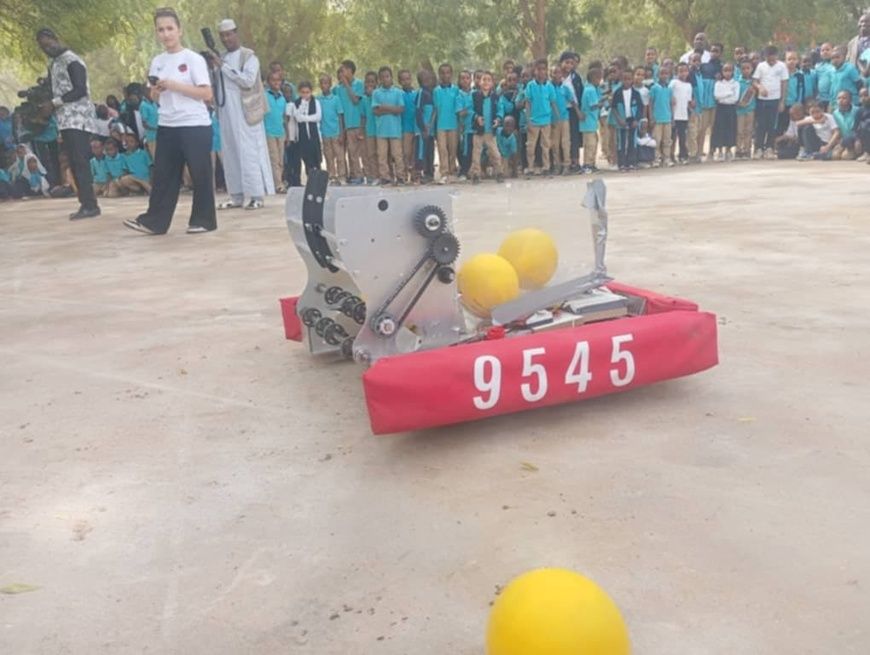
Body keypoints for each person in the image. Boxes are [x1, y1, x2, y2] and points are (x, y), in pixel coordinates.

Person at [122, 7, 216, 235]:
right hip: (168, 124)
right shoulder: (158, 61)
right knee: (164, 174)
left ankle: (203, 220)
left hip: (194, 124)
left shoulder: (193, 59)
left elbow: (206, 94)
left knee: (200, 173)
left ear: (179, 30)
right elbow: (155, 97)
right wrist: (155, 91)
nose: (166, 34)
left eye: (170, 29)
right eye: (161, 30)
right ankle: (154, 221)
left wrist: (175, 85)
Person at [35, 27, 100, 220]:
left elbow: (80, 89)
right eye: (43, 47)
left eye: (48, 44)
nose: (47, 49)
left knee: (80, 161)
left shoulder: (72, 60)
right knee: (73, 161)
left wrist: (54, 103)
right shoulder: (54, 63)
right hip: (65, 119)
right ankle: (85, 203)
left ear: (56, 39)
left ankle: (90, 205)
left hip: (78, 117)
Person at [209, 18, 273, 210]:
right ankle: (236, 196)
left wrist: (222, 66)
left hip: (246, 114)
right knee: (230, 154)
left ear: (236, 33)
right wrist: (212, 66)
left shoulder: (249, 57)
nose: (226, 39)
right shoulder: (220, 58)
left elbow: (246, 81)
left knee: (249, 153)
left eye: (229, 34)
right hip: (226, 113)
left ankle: (256, 196)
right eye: (222, 36)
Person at [752, 45, 789, 159]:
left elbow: (784, 83)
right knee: (761, 125)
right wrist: (760, 87)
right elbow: (755, 81)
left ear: (777, 56)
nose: (771, 61)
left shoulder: (782, 66)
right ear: (765, 56)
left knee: (772, 125)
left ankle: (769, 148)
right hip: (762, 100)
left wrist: (782, 101)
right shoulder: (761, 66)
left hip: (775, 99)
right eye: (769, 59)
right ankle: (758, 148)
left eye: (773, 59)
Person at [524, 59, 558, 176]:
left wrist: (556, 118)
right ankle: (530, 167)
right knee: (531, 146)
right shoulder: (530, 85)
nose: (541, 72)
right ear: (535, 71)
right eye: (539, 69)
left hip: (546, 120)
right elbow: (527, 103)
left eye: (544, 69)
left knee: (546, 145)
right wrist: (528, 120)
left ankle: (546, 167)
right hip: (533, 120)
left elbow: (553, 103)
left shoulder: (549, 86)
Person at [372, 66, 406, 185]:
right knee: (382, 155)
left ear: (391, 78)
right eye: (382, 77)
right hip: (381, 130)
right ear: (379, 79)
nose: (385, 79)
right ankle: (385, 177)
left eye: (387, 76)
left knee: (397, 155)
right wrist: (392, 109)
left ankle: (401, 177)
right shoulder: (376, 93)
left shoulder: (397, 92)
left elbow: (400, 109)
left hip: (395, 129)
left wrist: (385, 107)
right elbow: (375, 111)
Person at [469, 71, 503, 184]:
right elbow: (470, 109)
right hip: (478, 131)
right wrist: (476, 117)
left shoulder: (496, 97)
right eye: (484, 79)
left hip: (490, 131)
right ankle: (476, 174)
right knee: (476, 153)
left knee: (495, 153)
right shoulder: (474, 95)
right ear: (479, 82)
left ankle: (499, 172)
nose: (486, 82)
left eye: (489, 80)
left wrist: (498, 119)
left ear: (492, 83)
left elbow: (500, 110)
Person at [335, 60, 366, 184]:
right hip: (344, 124)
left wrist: (347, 84)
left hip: (356, 123)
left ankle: (358, 175)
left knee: (355, 153)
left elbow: (355, 100)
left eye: (343, 70)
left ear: (349, 70)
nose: (341, 73)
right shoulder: (338, 88)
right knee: (346, 153)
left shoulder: (359, 84)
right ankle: (349, 175)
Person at [612, 68, 644, 171]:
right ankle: (621, 164)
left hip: (632, 120)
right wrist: (619, 120)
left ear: (632, 80)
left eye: (629, 79)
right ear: (621, 79)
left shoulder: (636, 93)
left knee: (632, 141)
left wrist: (636, 120)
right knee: (621, 143)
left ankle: (632, 162)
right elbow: (613, 108)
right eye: (624, 79)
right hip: (621, 120)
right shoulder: (617, 93)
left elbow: (640, 108)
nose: (627, 81)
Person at [318, 73, 346, 186]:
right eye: (322, 83)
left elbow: (340, 116)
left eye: (326, 83)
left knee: (339, 156)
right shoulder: (318, 99)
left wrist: (341, 133)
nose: (324, 85)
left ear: (330, 84)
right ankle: (332, 176)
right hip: (325, 133)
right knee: (328, 156)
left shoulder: (336, 99)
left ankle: (342, 176)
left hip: (336, 132)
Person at [433, 63, 459, 182]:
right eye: (442, 73)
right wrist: (431, 125)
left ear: (451, 74)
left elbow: (458, 108)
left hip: (453, 124)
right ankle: (444, 172)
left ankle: (452, 170)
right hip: (441, 125)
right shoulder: (436, 91)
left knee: (452, 148)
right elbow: (435, 109)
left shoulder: (456, 90)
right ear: (439, 75)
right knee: (442, 149)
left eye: (448, 72)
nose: (445, 75)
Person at [264, 70, 287, 193]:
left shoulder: (282, 98)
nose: (276, 82)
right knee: (274, 158)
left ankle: (279, 181)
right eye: (273, 80)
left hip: (280, 132)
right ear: (268, 82)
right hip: (269, 132)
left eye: (278, 80)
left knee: (281, 160)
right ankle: (278, 184)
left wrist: (286, 133)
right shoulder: (265, 95)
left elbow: (284, 117)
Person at [711, 63, 739, 161]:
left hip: (731, 108)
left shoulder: (735, 84)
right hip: (721, 108)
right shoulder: (718, 83)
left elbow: (735, 98)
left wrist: (724, 95)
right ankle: (719, 151)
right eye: (725, 70)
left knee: (730, 128)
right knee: (719, 128)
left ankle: (728, 150)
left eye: (729, 70)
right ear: (722, 72)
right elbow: (716, 96)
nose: (727, 73)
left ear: (732, 72)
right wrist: (729, 93)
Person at [294, 81, 323, 178]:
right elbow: (297, 117)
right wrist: (303, 104)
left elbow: (318, 117)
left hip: (314, 136)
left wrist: (305, 118)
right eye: (303, 92)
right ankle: (310, 179)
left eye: (307, 92)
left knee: (316, 159)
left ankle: (318, 180)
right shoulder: (297, 103)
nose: (305, 94)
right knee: (307, 159)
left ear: (311, 92)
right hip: (303, 137)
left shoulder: (316, 102)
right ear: (299, 92)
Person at [413, 69, 437, 183]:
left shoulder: (431, 93)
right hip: (422, 131)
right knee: (421, 152)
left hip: (430, 130)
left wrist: (430, 127)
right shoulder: (421, 93)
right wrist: (423, 128)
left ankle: (430, 173)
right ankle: (421, 173)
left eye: (429, 77)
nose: (428, 79)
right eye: (424, 77)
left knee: (430, 152)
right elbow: (418, 111)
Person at [579, 65, 603, 173]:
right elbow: (593, 105)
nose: (600, 81)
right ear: (594, 78)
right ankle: (587, 164)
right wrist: (602, 103)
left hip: (591, 122)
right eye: (599, 78)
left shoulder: (590, 88)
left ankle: (592, 163)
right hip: (588, 122)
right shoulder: (590, 90)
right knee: (590, 144)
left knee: (594, 142)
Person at [549, 65, 573, 175]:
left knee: (565, 142)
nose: (557, 75)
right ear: (551, 75)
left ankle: (566, 165)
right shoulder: (548, 87)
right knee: (555, 143)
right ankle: (557, 165)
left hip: (564, 118)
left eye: (559, 73)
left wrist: (578, 111)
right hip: (553, 120)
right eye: (555, 73)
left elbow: (572, 101)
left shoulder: (565, 88)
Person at [648, 66, 673, 167]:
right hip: (657, 118)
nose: (664, 76)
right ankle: (656, 158)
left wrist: (672, 117)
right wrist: (651, 117)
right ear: (657, 75)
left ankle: (666, 158)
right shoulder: (654, 88)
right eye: (662, 73)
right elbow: (650, 103)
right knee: (656, 140)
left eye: (666, 74)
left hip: (667, 118)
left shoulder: (669, 89)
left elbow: (670, 103)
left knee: (667, 139)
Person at [670, 62, 694, 164]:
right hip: (673, 114)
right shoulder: (673, 83)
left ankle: (682, 155)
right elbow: (669, 95)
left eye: (685, 71)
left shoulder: (689, 85)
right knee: (672, 137)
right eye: (680, 71)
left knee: (682, 136)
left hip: (683, 115)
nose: (683, 73)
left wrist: (692, 106)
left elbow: (688, 101)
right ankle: (670, 155)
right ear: (676, 72)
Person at [455, 70, 475, 181]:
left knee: (475, 151)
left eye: (467, 78)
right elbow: (460, 112)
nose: (465, 80)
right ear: (459, 81)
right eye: (462, 78)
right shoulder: (459, 96)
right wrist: (469, 108)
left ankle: (473, 171)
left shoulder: (476, 93)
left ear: (471, 80)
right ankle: (463, 171)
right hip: (466, 128)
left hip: (476, 128)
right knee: (466, 150)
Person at [398, 70, 418, 177]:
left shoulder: (416, 94)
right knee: (406, 152)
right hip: (405, 128)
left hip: (416, 127)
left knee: (415, 153)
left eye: (408, 79)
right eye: (403, 79)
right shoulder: (399, 94)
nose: (406, 81)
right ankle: (404, 173)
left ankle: (414, 173)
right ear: (400, 81)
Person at [736, 60, 757, 159]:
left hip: (750, 109)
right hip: (739, 110)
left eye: (748, 68)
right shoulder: (737, 81)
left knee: (748, 130)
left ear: (752, 69)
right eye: (743, 68)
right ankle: (738, 150)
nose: (746, 70)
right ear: (740, 70)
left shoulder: (754, 83)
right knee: (739, 131)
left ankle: (747, 150)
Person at [360, 71, 379, 184]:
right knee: (370, 154)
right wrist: (362, 130)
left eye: (372, 82)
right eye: (368, 82)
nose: (370, 84)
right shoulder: (363, 99)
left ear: (377, 83)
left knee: (381, 154)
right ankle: (373, 176)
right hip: (369, 130)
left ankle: (385, 175)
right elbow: (363, 116)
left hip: (381, 130)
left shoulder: (379, 96)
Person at [832, 90, 861, 159]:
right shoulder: (835, 113)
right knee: (835, 156)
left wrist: (858, 140)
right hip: (842, 141)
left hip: (855, 140)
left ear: (850, 100)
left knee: (846, 157)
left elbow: (860, 129)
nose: (841, 100)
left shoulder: (858, 111)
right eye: (839, 98)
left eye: (844, 98)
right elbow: (835, 130)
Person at [140, 86, 159, 158]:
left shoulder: (154, 103)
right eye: (149, 91)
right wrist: (155, 129)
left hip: (160, 136)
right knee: (157, 159)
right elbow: (144, 124)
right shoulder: (143, 105)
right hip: (152, 137)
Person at [815, 43, 835, 111]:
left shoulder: (835, 65)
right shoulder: (817, 66)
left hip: (832, 99)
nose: (825, 52)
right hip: (820, 99)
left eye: (827, 49)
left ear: (833, 51)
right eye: (822, 50)